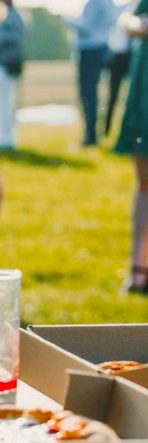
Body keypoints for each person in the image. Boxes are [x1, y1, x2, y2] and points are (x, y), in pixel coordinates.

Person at [113, 0, 148, 295]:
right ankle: (140, 269)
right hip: (145, 92)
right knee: (145, 184)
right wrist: (139, 25)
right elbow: (129, 19)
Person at [68, 0, 119, 147]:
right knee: (93, 93)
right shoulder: (109, 3)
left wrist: (69, 21)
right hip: (103, 47)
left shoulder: (95, 2)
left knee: (88, 94)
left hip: (90, 50)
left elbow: (86, 27)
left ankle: (91, 136)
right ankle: (95, 133)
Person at [0, 0, 24, 150]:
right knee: (3, 102)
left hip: (8, 64)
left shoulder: (12, 17)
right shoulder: (11, 16)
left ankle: (6, 139)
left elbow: (14, 37)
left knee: (5, 103)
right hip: (6, 64)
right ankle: (5, 137)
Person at [107, 4, 138, 138]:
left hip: (135, 57)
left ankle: (133, 131)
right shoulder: (124, 12)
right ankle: (106, 130)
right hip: (119, 57)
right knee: (113, 94)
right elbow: (126, 26)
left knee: (134, 95)